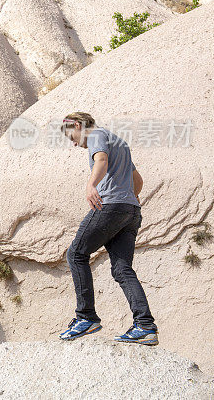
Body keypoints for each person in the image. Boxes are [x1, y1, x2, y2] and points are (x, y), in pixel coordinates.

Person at [56, 112, 158, 345]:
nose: (73, 143)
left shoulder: (97, 135)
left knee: (76, 253)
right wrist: (128, 198)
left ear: (79, 125)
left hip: (110, 206)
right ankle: (145, 326)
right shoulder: (118, 141)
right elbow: (138, 181)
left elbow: (100, 159)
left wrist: (91, 185)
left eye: (71, 136)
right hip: (131, 211)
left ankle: (86, 318)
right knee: (122, 269)